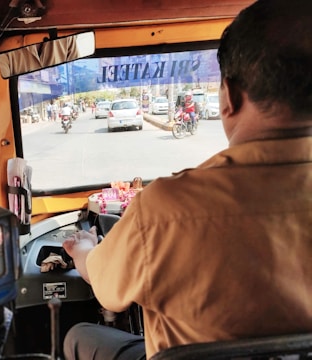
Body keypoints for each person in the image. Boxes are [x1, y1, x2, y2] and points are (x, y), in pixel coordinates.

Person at [62, 0, 312, 359]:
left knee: (79, 337)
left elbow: (105, 290)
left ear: (229, 95)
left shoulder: (165, 210)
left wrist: (83, 248)